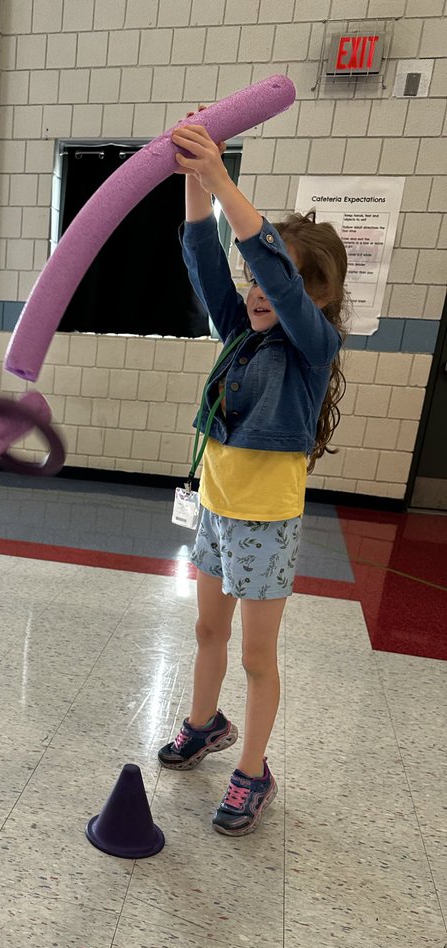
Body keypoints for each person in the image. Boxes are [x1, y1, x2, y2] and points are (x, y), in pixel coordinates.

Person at [157, 118, 348, 836]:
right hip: (214, 507)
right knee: (208, 630)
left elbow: (272, 274)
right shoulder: (239, 330)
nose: (263, 291)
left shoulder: (312, 343)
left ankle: (253, 771)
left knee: (256, 656)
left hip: (264, 521)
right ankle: (204, 724)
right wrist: (191, 182)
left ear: (319, 294)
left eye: (287, 281)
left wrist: (222, 180)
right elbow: (207, 258)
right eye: (261, 279)